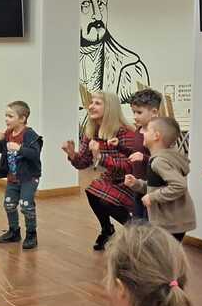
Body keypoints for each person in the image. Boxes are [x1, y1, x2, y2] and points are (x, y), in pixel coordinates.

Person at [61, 90, 142, 251]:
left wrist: (100, 157)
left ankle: (136, 232)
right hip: (112, 177)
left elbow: (128, 167)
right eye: (91, 103)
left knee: (105, 198)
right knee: (92, 191)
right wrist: (72, 155)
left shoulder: (125, 132)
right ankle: (107, 230)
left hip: (131, 181)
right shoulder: (91, 132)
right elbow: (83, 163)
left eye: (97, 103)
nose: (91, 106)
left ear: (110, 108)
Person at [125, 117, 196, 241]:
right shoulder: (160, 158)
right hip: (169, 221)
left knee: (159, 252)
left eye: (147, 130)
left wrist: (152, 197)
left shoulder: (159, 162)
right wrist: (137, 184)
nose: (143, 133)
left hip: (170, 223)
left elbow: (179, 185)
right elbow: (157, 186)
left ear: (156, 136)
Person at [0, 100, 43, 250]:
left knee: (26, 205)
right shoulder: (8, 134)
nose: (6, 119)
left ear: (22, 118)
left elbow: (35, 154)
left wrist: (19, 149)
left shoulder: (30, 134)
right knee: (9, 204)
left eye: (10, 116)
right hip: (12, 178)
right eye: (6, 116)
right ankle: (14, 232)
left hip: (29, 178)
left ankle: (31, 234)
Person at [126, 88, 163, 221]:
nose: (135, 116)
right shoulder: (138, 130)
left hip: (152, 188)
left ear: (154, 112)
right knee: (137, 221)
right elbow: (134, 153)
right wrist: (118, 145)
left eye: (139, 112)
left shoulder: (159, 134)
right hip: (137, 185)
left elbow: (164, 161)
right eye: (134, 112)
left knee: (150, 223)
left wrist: (144, 158)